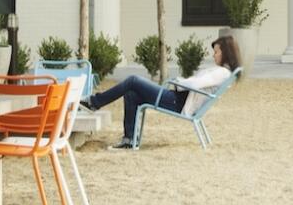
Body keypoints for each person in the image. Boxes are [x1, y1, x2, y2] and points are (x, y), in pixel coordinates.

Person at [80, 33, 243, 149]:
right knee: (131, 93)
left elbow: (195, 84)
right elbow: (196, 83)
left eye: (216, 52)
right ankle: (129, 139)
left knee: (133, 80)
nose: (214, 56)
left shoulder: (222, 72)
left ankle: (94, 102)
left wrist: (178, 81)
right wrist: (182, 82)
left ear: (226, 53)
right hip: (177, 97)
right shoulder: (220, 71)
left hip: (177, 101)